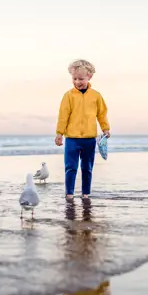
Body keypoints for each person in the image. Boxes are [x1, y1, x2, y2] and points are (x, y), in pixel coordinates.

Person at [55, 59, 110, 200]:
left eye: (81, 79)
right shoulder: (68, 96)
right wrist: (59, 133)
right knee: (70, 167)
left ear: (89, 77)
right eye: (74, 78)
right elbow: (63, 116)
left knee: (87, 168)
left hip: (89, 138)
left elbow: (101, 113)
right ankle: (69, 194)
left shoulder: (96, 96)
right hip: (72, 138)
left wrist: (105, 128)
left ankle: (86, 194)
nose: (77, 82)